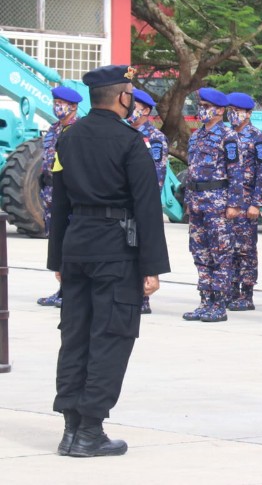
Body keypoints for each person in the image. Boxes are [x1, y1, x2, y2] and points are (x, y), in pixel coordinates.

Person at [46, 64, 170, 457]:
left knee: (75, 336)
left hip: (76, 247)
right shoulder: (130, 141)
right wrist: (151, 267)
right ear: (123, 97)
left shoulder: (68, 138)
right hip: (116, 251)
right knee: (110, 338)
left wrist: (57, 258)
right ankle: (89, 431)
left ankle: (71, 429)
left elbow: (60, 201)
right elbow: (147, 206)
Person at [182, 88, 244, 323]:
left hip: (217, 203)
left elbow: (236, 173)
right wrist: (188, 201)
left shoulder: (228, 136)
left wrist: (234, 204)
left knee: (221, 254)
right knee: (200, 253)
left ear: (219, 111)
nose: (202, 110)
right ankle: (205, 301)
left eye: (207, 107)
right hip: (197, 202)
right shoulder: (196, 136)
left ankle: (219, 304)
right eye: (201, 106)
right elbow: (191, 171)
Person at [38, 86, 82, 309]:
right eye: (55, 103)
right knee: (56, 243)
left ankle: (71, 291)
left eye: (61, 104)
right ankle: (63, 289)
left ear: (73, 106)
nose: (57, 108)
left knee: (70, 243)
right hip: (50, 195)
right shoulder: (54, 129)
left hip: (69, 197)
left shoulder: (80, 130)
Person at [226, 92, 262, 311]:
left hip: (246, 202)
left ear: (248, 114)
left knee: (245, 250)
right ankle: (231, 290)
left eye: (237, 111)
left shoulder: (257, 138)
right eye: (230, 111)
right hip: (226, 201)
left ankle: (246, 293)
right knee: (227, 248)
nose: (232, 115)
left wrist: (257, 203)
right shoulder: (226, 135)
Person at [127, 88, 169, 314]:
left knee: (141, 247)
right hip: (123, 203)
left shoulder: (155, 139)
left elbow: (156, 175)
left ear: (145, 111)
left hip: (142, 203)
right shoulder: (123, 132)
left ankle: (142, 299)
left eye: (134, 106)